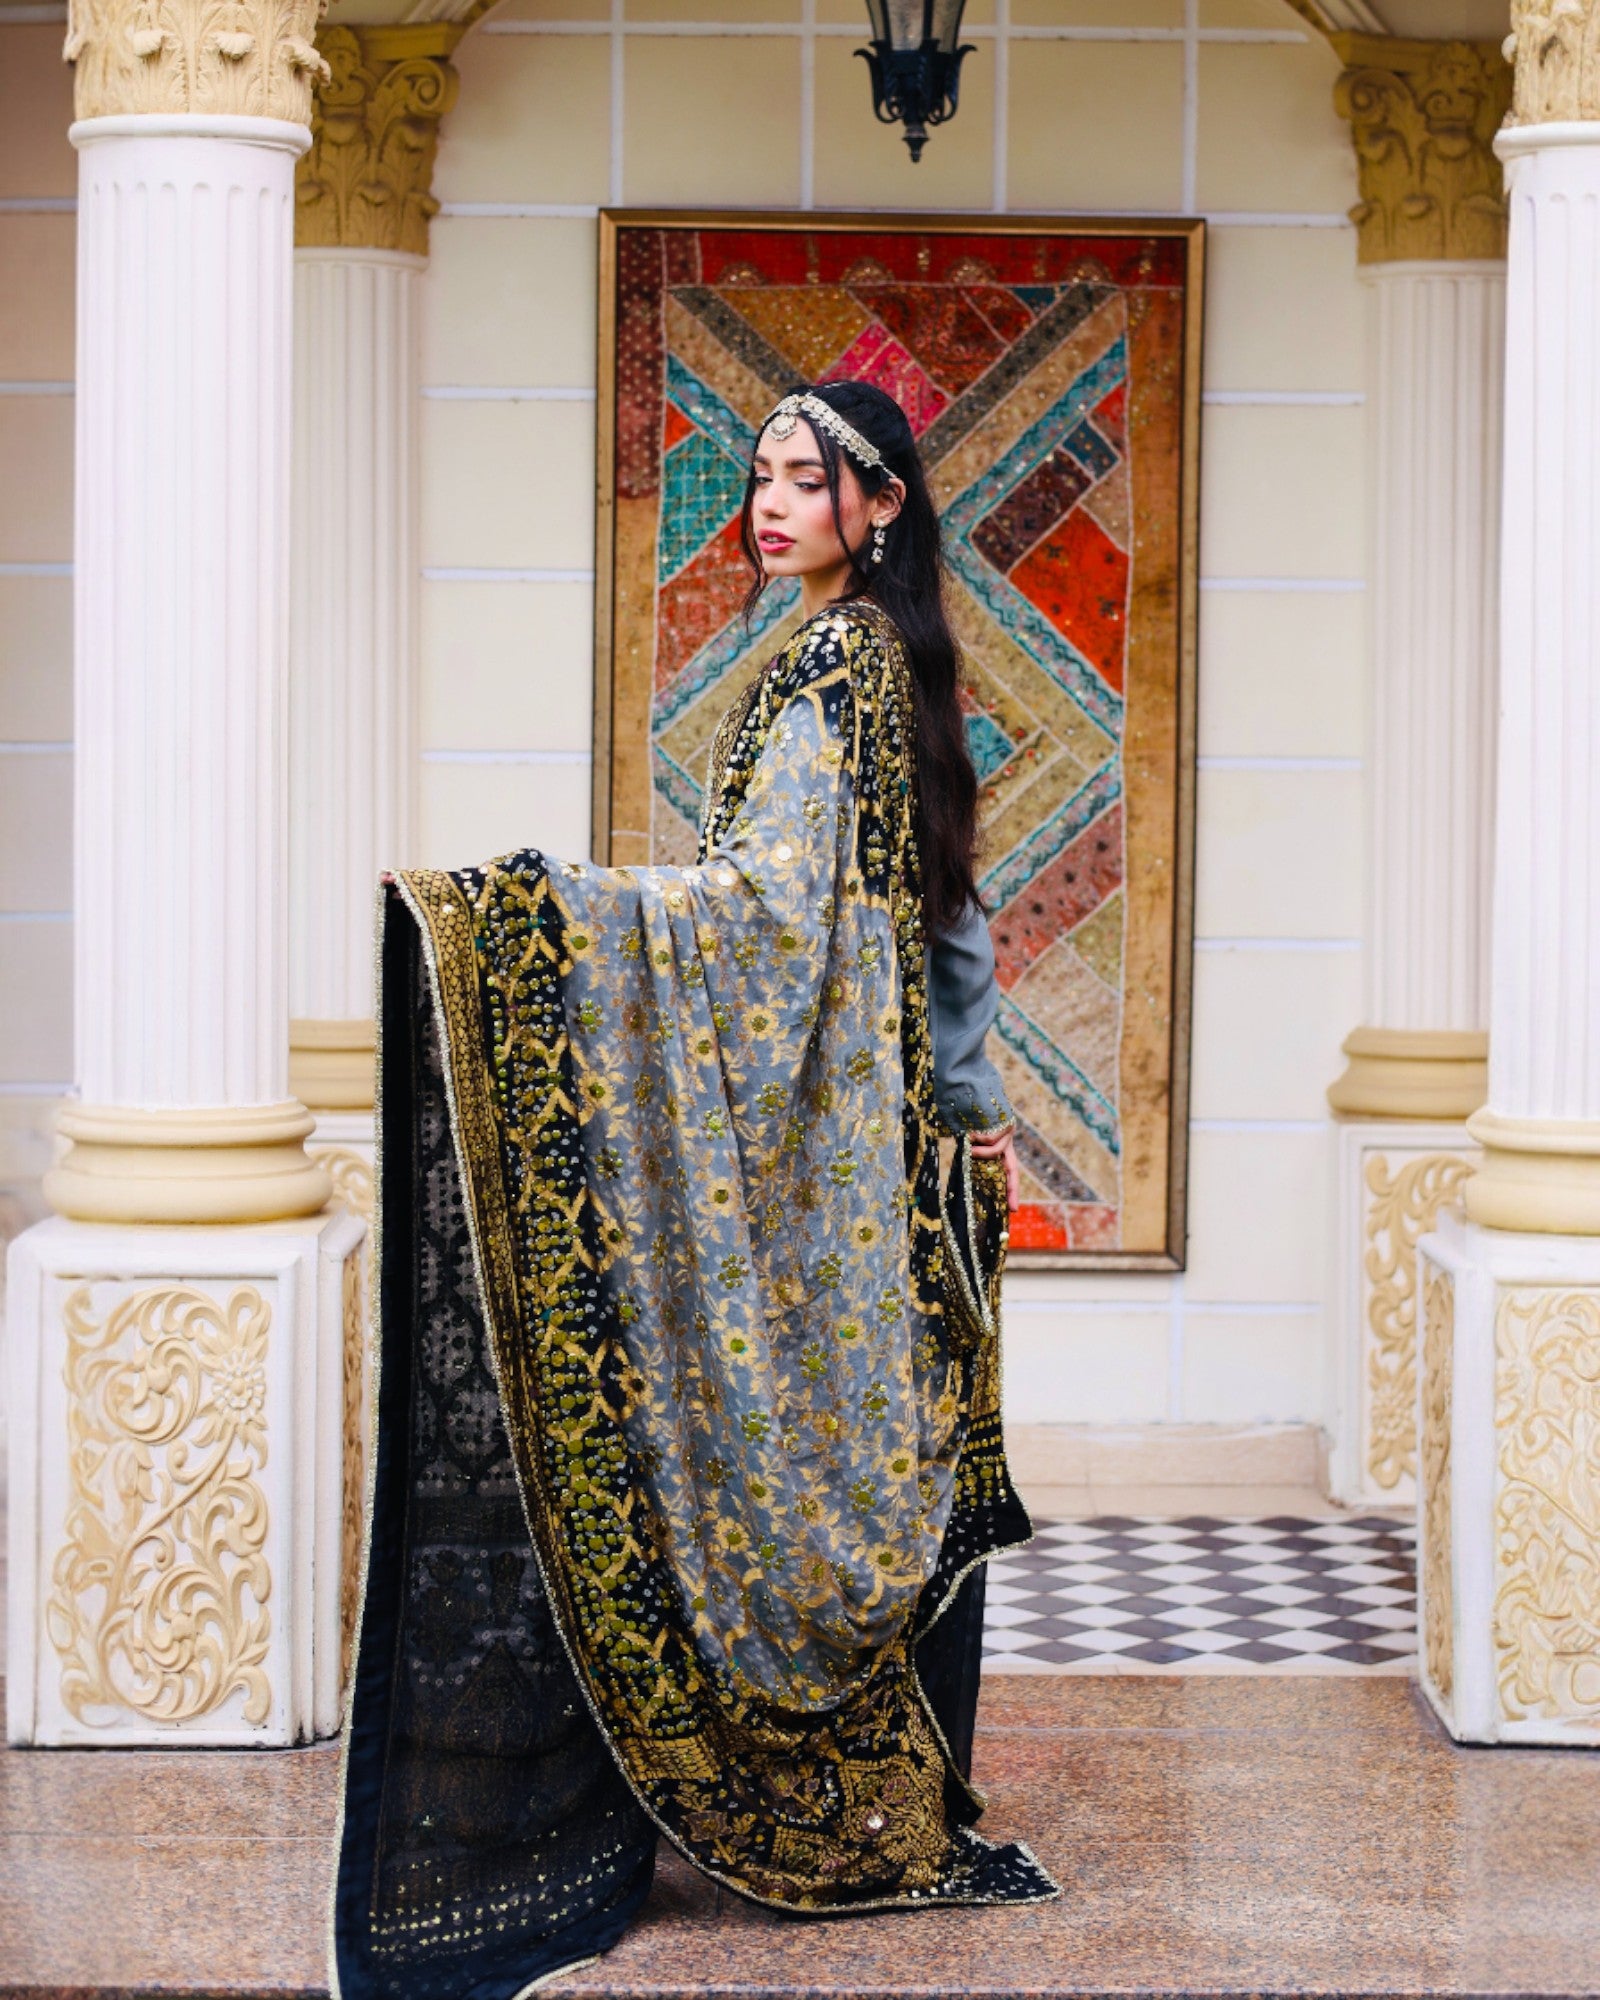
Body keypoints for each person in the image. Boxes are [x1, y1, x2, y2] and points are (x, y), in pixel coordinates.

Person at [331, 380, 1057, 2000]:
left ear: (882, 505)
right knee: (887, 1443)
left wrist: (533, 914)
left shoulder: (836, 668)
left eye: (807, 478)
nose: (771, 504)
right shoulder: (885, 663)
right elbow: (944, 908)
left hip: (862, 1153)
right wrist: (970, 1102)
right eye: (761, 477)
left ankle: (844, 1792)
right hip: (902, 1145)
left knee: (819, 1452)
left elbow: (772, 915)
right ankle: (897, 1789)